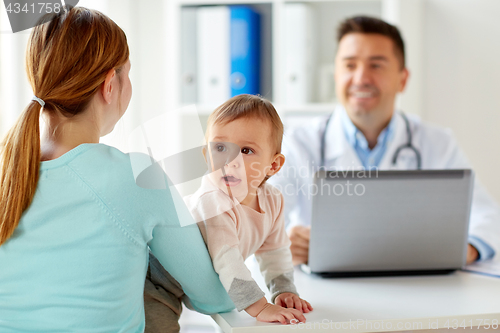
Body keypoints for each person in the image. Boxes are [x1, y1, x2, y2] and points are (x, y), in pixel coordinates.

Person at [0, 7, 233, 332]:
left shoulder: (6, 171)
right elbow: (213, 295)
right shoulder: (136, 176)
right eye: (128, 73)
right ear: (110, 85)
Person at [269, 16, 500, 266]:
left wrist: (468, 248)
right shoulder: (298, 143)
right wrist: (283, 242)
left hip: (418, 286)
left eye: (376, 65)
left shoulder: (437, 143)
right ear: (336, 75)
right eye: (349, 65)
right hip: (327, 291)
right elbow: (259, 221)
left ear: (403, 79)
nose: (360, 78)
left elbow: (486, 216)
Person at [183, 94, 313, 324]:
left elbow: (274, 251)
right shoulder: (212, 200)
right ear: (206, 155)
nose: (230, 160)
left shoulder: (272, 200)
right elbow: (227, 258)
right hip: (157, 280)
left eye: (246, 151)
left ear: (273, 165)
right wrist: (260, 307)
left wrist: (284, 290)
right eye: (220, 147)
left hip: (197, 289)